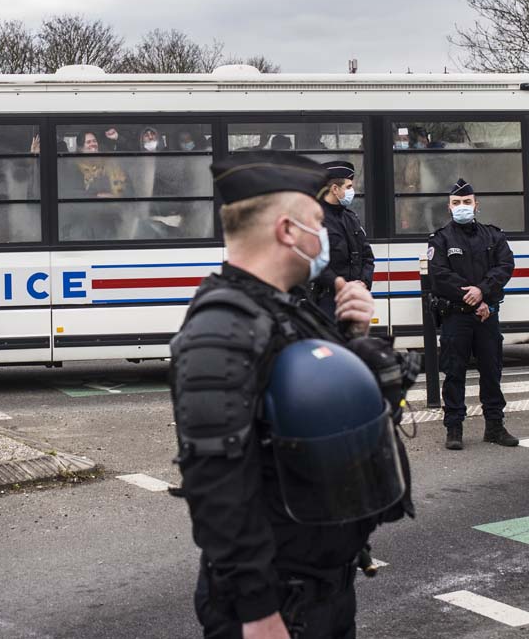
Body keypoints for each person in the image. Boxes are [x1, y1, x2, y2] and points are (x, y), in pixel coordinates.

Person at [171, 151, 416, 639]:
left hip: (321, 588)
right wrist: (258, 613)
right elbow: (216, 485)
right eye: (316, 223)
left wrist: (352, 336)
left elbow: (327, 418)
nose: (324, 236)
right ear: (287, 231)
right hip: (281, 602)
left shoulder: (285, 310)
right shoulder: (223, 327)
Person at [428, 178, 517, 450]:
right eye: (457, 203)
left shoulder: (494, 236)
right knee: (454, 373)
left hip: (486, 315)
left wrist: (482, 292)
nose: (462, 207)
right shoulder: (440, 239)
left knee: (492, 371)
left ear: (476, 205)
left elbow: (505, 267)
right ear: (449, 208)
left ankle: (495, 427)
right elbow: (440, 276)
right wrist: (472, 298)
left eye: (467, 202)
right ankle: (454, 429)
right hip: (457, 317)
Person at [311, 161, 374, 319]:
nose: (352, 191)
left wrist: (363, 282)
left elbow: (367, 256)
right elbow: (315, 263)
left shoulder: (350, 218)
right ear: (334, 189)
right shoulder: (316, 219)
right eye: (348, 187)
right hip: (328, 301)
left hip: (354, 300)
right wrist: (341, 285)